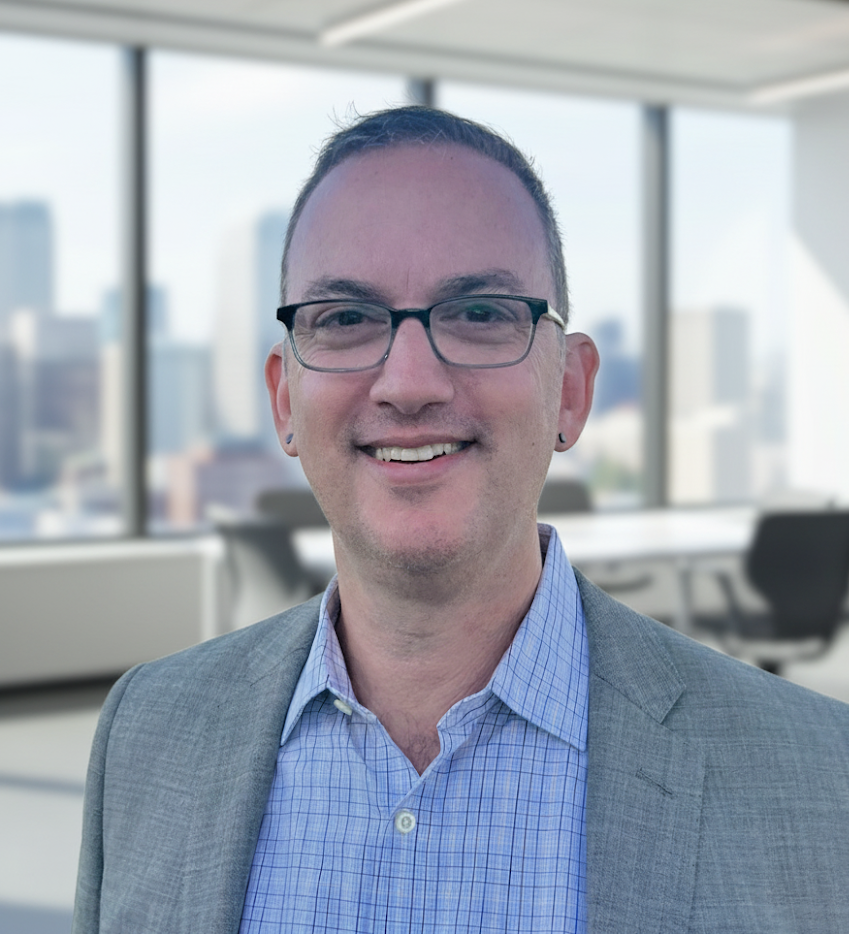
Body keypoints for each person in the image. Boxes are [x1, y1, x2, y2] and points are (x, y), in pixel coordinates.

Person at [74, 106, 849, 934]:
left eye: (479, 313)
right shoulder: (145, 735)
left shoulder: (819, 779)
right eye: (344, 318)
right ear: (283, 399)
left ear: (571, 391)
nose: (409, 382)